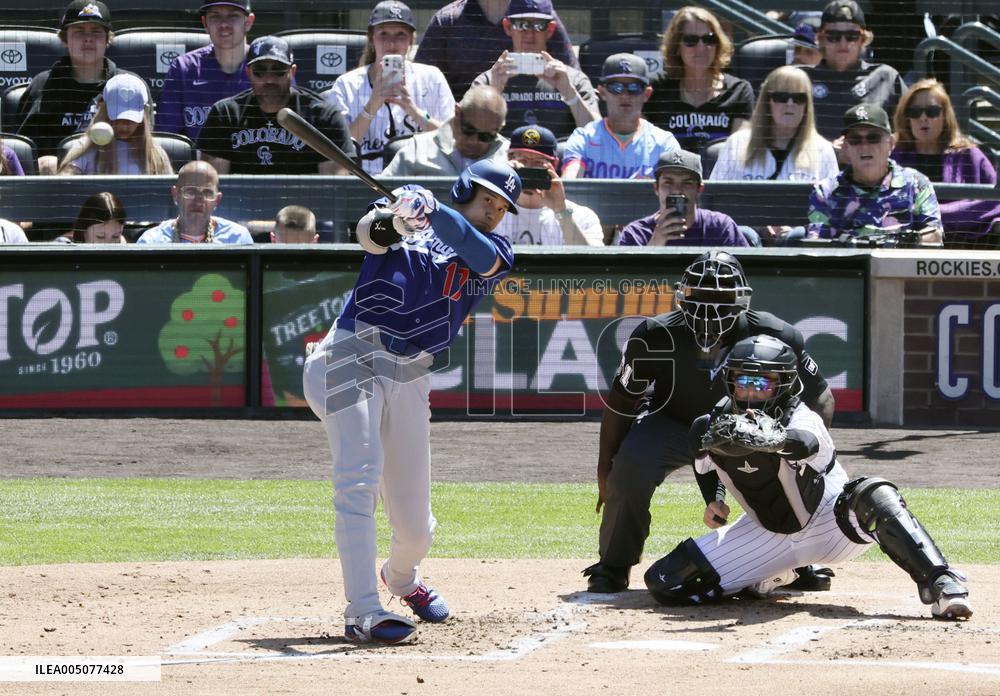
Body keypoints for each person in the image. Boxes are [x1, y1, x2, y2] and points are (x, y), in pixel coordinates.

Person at [302, 160, 521, 644]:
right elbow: (368, 236)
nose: (494, 212)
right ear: (466, 187)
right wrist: (399, 218)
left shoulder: (496, 248)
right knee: (358, 476)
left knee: (417, 530)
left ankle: (401, 580)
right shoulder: (404, 208)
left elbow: (475, 250)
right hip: (349, 354)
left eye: (502, 207)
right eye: (488, 200)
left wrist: (435, 211)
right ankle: (363, 610)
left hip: (410, 374)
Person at [644, 334, 973, 622]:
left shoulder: (803, 419)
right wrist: (714, 499)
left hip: (832, 524)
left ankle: (941, 581)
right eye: (742, 381)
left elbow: (806, 444)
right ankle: (775, 574)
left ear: (783, 385)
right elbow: (705, 464)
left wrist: (772, 440)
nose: (749, 392)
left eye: (761, 383)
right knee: (666, 581)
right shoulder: (711, 426)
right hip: (765, 533)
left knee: (873, 491)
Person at [583, 250, 836, 594]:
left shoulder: (776, 335)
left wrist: (798, 445)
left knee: (785, 479)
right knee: (630, 467)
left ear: (742, 300)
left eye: (719, 298)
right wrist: (605, 467)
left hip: (751, 430)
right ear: (682, 297)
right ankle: (613, 563)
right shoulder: (653, 335)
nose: (708, 308)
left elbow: (820, 396)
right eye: (700, 297)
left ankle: (799, 558)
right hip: (672, 422)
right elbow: (621, 402)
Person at [326, 1, 454, 175]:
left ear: (411, 39)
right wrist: (372, 104)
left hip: (421, 179)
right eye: (383, 34)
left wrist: (414, 111)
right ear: (371, 38)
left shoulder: (432, 77)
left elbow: (452, 140)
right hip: (365, 181)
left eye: (400, 34)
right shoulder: (347, 84)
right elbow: (337, 150)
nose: (391, 43)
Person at [198, 36, 354, 174]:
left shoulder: (324, 116)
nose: (269, 80)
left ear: (292, 72)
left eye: (278, 70)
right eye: (260, 70)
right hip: (241, 206)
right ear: (248, 72)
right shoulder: (225, 114)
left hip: (304, 206)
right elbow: (214, 184)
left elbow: (333, 189)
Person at [16, 0, 128, 174]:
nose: (88, 39)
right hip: (56, 183)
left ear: (108, 39)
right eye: (79, 32)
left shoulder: (127, 85)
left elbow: (143, 145)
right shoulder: (43, 85)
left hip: (115, 173)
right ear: (64, 39)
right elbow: (24, 150)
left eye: (97, 32)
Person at [807, 104, 943, 246]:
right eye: (855, 139)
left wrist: (894, 245)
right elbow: (818, 244)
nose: (864, 146)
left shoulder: (916, 184)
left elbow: (934, 236)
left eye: (873, 138)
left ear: (890, 143)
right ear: (845, 147)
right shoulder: (825, 191)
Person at [890, 79, 1000, 243]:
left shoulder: (969, 154)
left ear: (945, 116)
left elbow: (993, 202)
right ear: (906, 118)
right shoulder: (894, 157)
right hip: (907, 244)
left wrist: (932, 213)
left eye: (932, 111)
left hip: (965, 243)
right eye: (914, 112)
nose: (923, 118)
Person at [470, 0, 599, 139]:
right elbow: (468, 136)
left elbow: (596, 137)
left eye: (538, 26)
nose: (529, 35)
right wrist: (493, 92)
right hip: (504, 158)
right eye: (521, 25)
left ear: (550, 30)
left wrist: (569, 93)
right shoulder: (488, 80)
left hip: (558, 157)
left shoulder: (572, 79)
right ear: (507, 27)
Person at [414, 0, 578, 101]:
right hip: (467, 131)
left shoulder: (540, 16)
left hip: (534, 121)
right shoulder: (447, 20)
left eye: (532, 26)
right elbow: (421, 84)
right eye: (521, 26)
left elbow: (572, 77)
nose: (529, 32)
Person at [644, 6, 755, 156]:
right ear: (677, 46)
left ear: (718, 45)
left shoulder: (738, 91)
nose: (701, 47)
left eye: (709, 39)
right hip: (670, 177)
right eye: (691, 40)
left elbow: (738, 153)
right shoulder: (657, 89)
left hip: (719, 176)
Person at [709, 66, 838, 182]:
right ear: (767, 102)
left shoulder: (823, 151)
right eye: (781, 97)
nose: (790, 104)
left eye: (799, 98)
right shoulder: (736, 144)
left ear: (807, 106)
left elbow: (834, 205)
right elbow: (715, 198)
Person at [561, 54, 679, 180]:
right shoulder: (583, 138)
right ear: (602, 92)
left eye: (634, 88)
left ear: (647, 94)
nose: (624, 95)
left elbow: (673, 190)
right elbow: (570, 183)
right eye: (615, 87)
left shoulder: (664, 143)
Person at [805, 0, 906, 142]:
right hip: (813, 162)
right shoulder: (802, 79)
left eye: (851, 36)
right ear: (821, 39)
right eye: (833, 36)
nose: (843, 43)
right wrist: (828, 151)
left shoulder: (885, 77)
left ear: (863, 39)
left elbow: (908, 132)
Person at [156, 0, 256, 141]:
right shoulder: (183, 69)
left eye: (233, 16)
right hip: (198, 161)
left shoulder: (268, 69)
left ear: (248, 22)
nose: (224, 25)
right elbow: (168, 139)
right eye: (215, 17)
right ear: (205, 23)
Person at [495, 124, 602, 245]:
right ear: (509, 159)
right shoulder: (490, 208)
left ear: (554, 165)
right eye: (522, 161)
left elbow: (593, 261)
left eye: (538, 163)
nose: (529, 168)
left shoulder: (583, 216)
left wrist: (561, 210)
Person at [619, 150, 748, 247]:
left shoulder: (720, 228)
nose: (677, 190)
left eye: (687, 183)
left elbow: (745, 276)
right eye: (668, 183)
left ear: (699, 190)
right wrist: (654, 244)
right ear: (656, 188)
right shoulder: (636, 234)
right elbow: (627, 282)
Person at [382, 84, 509, 177]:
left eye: (486, 136)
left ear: (499, 128)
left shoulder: (508, 158)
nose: (474, 141)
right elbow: (380, 196)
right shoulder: (418, 149)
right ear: (457, 112)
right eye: (469, 130)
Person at [59, 73, 172, 175]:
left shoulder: (156, 155)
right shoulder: (85, 147)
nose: (124, 125)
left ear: (145, 113)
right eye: (117, 118)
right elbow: (65, 181)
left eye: (131, 119)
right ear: (103, 109)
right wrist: (69, 174)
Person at [137, 161, 253, 244]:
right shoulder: (152, 242)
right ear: (175, 194)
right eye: (190, 191)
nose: (198, 200)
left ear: (217, 200)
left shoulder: (238, 239)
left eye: (207, 193)